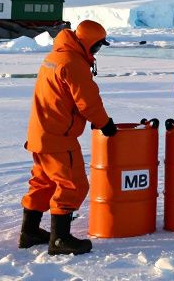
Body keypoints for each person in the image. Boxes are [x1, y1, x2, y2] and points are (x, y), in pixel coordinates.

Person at [20, 20, 116, 255]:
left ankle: (29, 231)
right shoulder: (73, 63)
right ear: (88, 43)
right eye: (97, 46)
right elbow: (87, 101)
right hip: (58, 138)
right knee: (73, 185)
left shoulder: (55, 57)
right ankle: (60, 239)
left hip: (40, 134)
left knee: (43, 183)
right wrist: (105, 123)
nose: (97, 51)